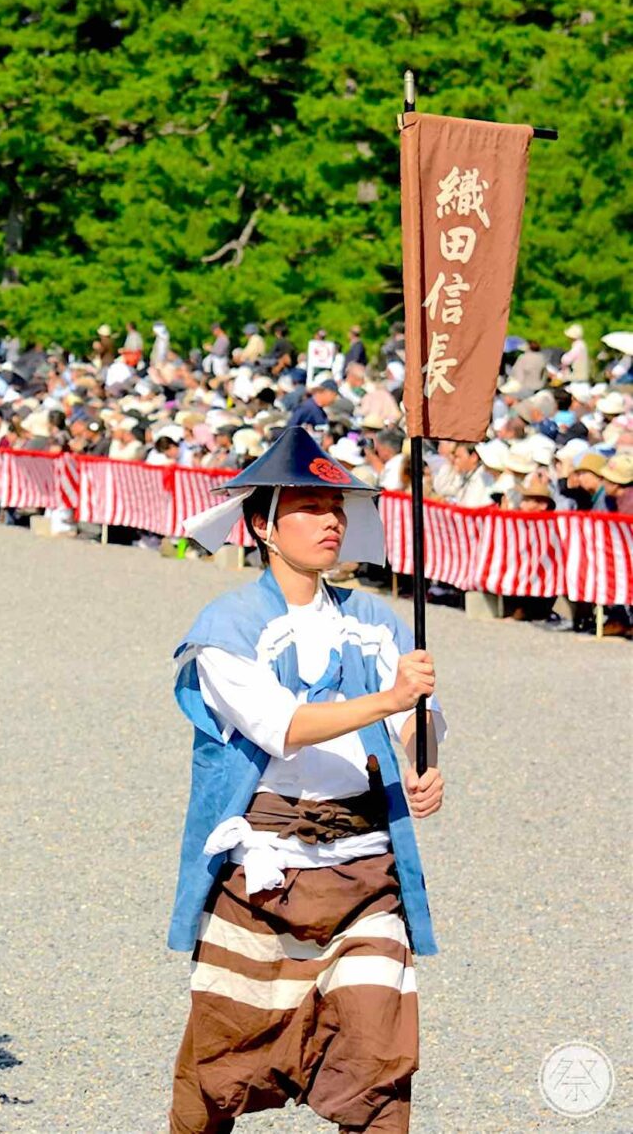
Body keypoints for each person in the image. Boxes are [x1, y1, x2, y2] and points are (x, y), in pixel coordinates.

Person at [174, 427, 444, 1134]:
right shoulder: (224, 627)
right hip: (262, 873)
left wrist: (420, 763)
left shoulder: (374, 619)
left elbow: (419, 720)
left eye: (337, 505)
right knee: (218, 1065)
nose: (331, 520)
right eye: (310, 505)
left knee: (379, 1059)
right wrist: (389, 700)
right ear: (261, 524)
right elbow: (283, 724)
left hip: (364, 873)